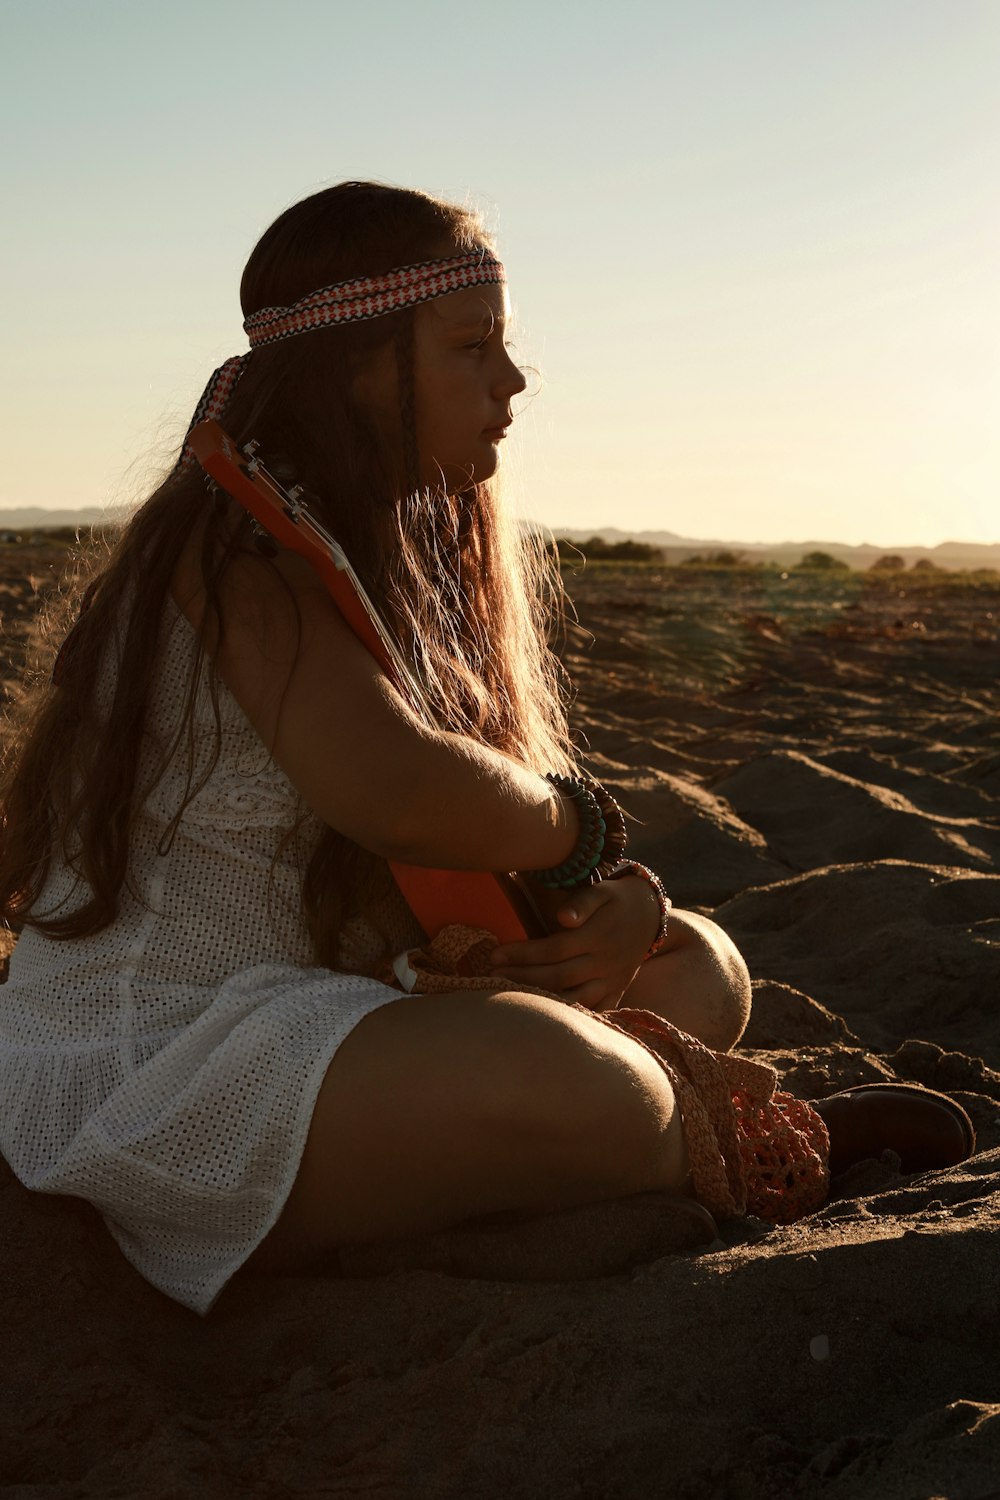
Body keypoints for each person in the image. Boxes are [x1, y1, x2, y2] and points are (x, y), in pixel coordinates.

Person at [0, 182, 973, 1317]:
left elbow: (468, 856)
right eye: (473, 348)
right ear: (355, 365)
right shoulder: (237, 555)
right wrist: (579, 828)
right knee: (568, 1080)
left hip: (345, 998)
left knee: (699, 960)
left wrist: (616, 904)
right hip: (173, 1055)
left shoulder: (385, 550)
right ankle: (709, 1141)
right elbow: (400, 791)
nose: (513, 384)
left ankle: (616, 1127)